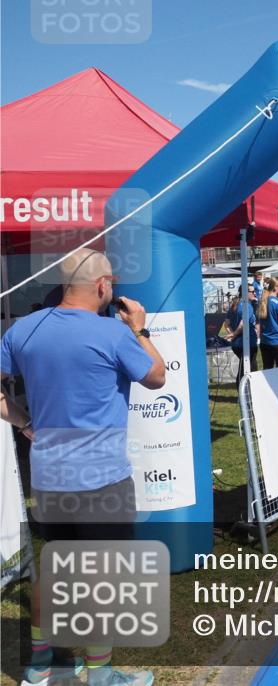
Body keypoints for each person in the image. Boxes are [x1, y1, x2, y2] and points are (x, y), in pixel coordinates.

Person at [1, 249, 165, 686]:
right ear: (102, 286)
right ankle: (100, 674)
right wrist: (140, 327)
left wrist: (22, 420)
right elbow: (157, 376)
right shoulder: (113, 333)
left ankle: (40, 666)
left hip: (50, 476)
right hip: (102, 479)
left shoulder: (24, 329)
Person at [225, 286, 259, 383]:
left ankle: (249, 392)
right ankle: (242, 394)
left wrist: (232, 334)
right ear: (245, 292)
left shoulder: (235, 304)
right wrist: (234, 335)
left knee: (249, 368)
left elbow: (226, 324)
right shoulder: (246, 306)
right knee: (246, 370)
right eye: (252, 291)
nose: (254, 293)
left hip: (238, 344)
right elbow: (242, 324)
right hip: (246, 343)